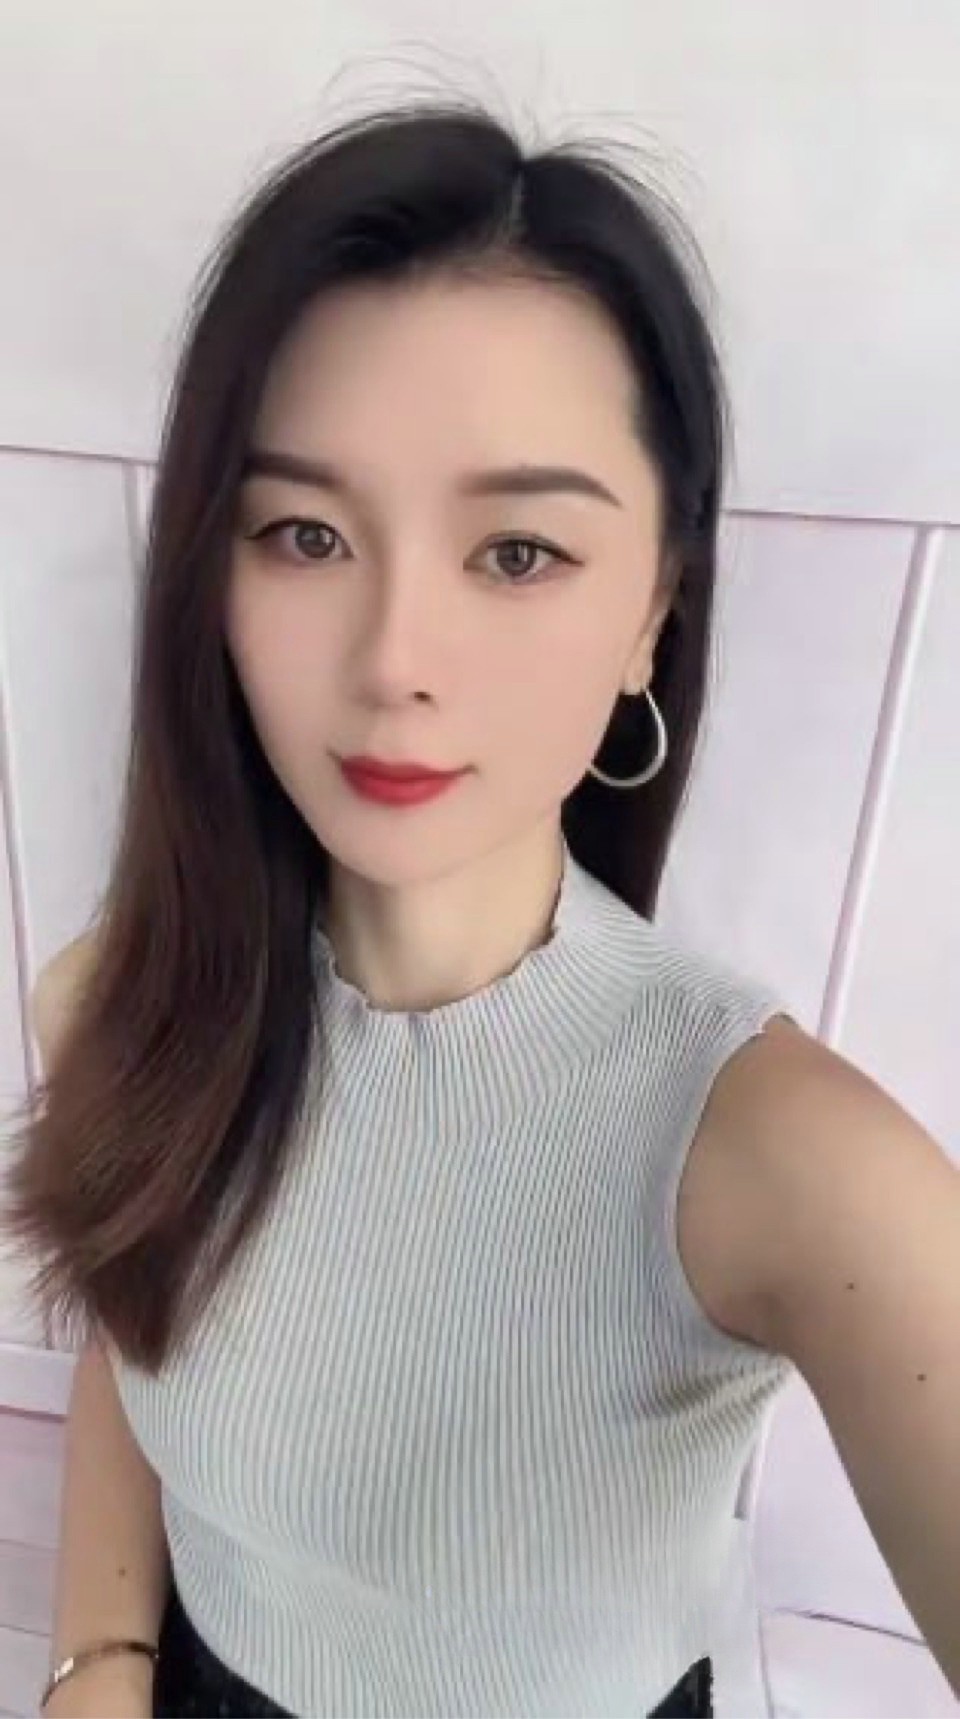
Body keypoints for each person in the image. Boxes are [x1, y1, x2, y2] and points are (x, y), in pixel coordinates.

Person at [8, 96, 801, 1717]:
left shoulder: (764, 1151)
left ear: (653, 608)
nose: (391, 663)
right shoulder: (123, 1004)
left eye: (516, 553)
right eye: (304, 534)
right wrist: (99, 1662)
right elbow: (139, 1338)